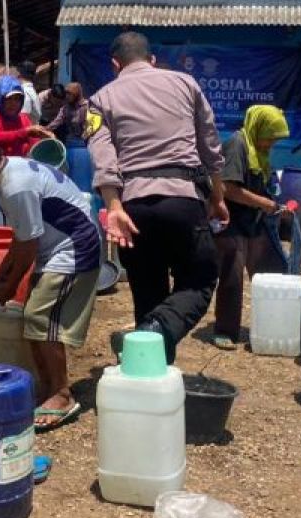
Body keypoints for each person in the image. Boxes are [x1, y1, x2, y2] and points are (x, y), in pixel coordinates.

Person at [89, 31, 228, 363]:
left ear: (115, 64)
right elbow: (210, 143)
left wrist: (114, 207)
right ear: (151, 59)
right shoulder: (185, 84)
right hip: (183, 200)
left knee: (148, 292)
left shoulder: (101, 98)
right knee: (199, 280)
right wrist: (218, 195)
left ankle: (147, 369)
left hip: (134, 207)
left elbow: (103, 156)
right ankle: (154, 335)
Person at [0, 130, 100, 430]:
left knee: (40, 318)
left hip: (73, 248)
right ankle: (47, 387)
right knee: (34, 320)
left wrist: (9, 281)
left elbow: (28, 245)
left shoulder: (15, 186)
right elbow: (22, 235)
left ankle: (61, 394)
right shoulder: (6, 176)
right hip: (55, 247)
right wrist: (4, 275)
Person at [212, 105, 291, 350]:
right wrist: (265, 204)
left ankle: (271, 325)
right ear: (259, 128)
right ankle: (225, 330)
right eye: (270, 138)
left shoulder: (260, 152)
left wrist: (276, 206)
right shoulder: (237, 145)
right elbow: (228, 188)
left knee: (271, 271)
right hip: (232, 222)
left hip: (254, 221)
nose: (270, 144)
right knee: (231, 277)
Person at [0, 74, 52, 157]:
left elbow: (34, 145)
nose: (13, 104)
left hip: (19, 167)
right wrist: (24, 133)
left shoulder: (23, 119)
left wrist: (46, 140)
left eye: (17, 99)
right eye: (9, 99)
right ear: (0, 98)